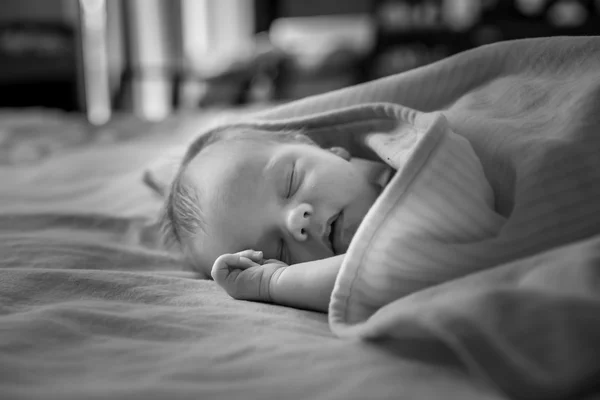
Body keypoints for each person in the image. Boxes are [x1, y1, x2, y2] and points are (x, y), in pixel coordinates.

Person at [160, 125, 392, 313]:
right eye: (280, 253)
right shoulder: (387, 262)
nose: (295, 222)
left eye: (292, 182)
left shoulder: (407, 154)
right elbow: (369, 277)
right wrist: (273, 283)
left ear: (326, 150)